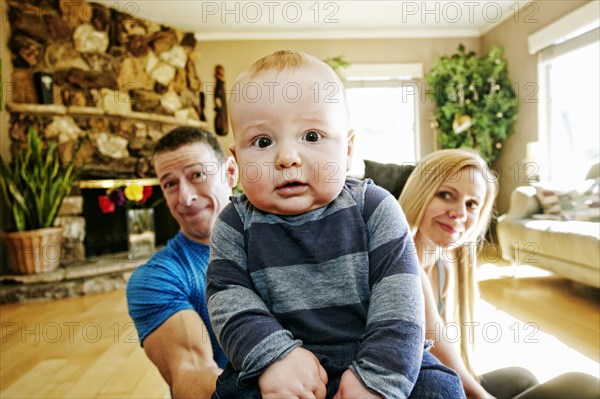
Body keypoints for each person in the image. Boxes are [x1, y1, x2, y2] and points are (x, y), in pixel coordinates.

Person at [206, 50, 465, 399]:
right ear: (236, 161)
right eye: (263, 142)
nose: (287, 158)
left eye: (312, 137)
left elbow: (401, 301)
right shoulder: (234, 223)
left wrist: (377, 379)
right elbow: (229, 299)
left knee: (441, 389)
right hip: (278, 362)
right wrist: (273, 358)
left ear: (347, 150)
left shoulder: (375, 208)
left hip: (377, 351)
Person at [399, 148, 600, 399]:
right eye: (446, 195)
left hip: (437, 381)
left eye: (471, 204)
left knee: (521, 377)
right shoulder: (401, 266)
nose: (459, 213)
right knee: (581, 386)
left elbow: (451, 362)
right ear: (421, 193)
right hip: (412, 389)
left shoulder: (445, 265)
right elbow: (443, 362)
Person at [126, 126, 237, 398]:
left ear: (230, 172)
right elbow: (190, 371)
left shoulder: (287, 236)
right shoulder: (155, 279)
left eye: (197, 175)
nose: (185, 198)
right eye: (170, 184)